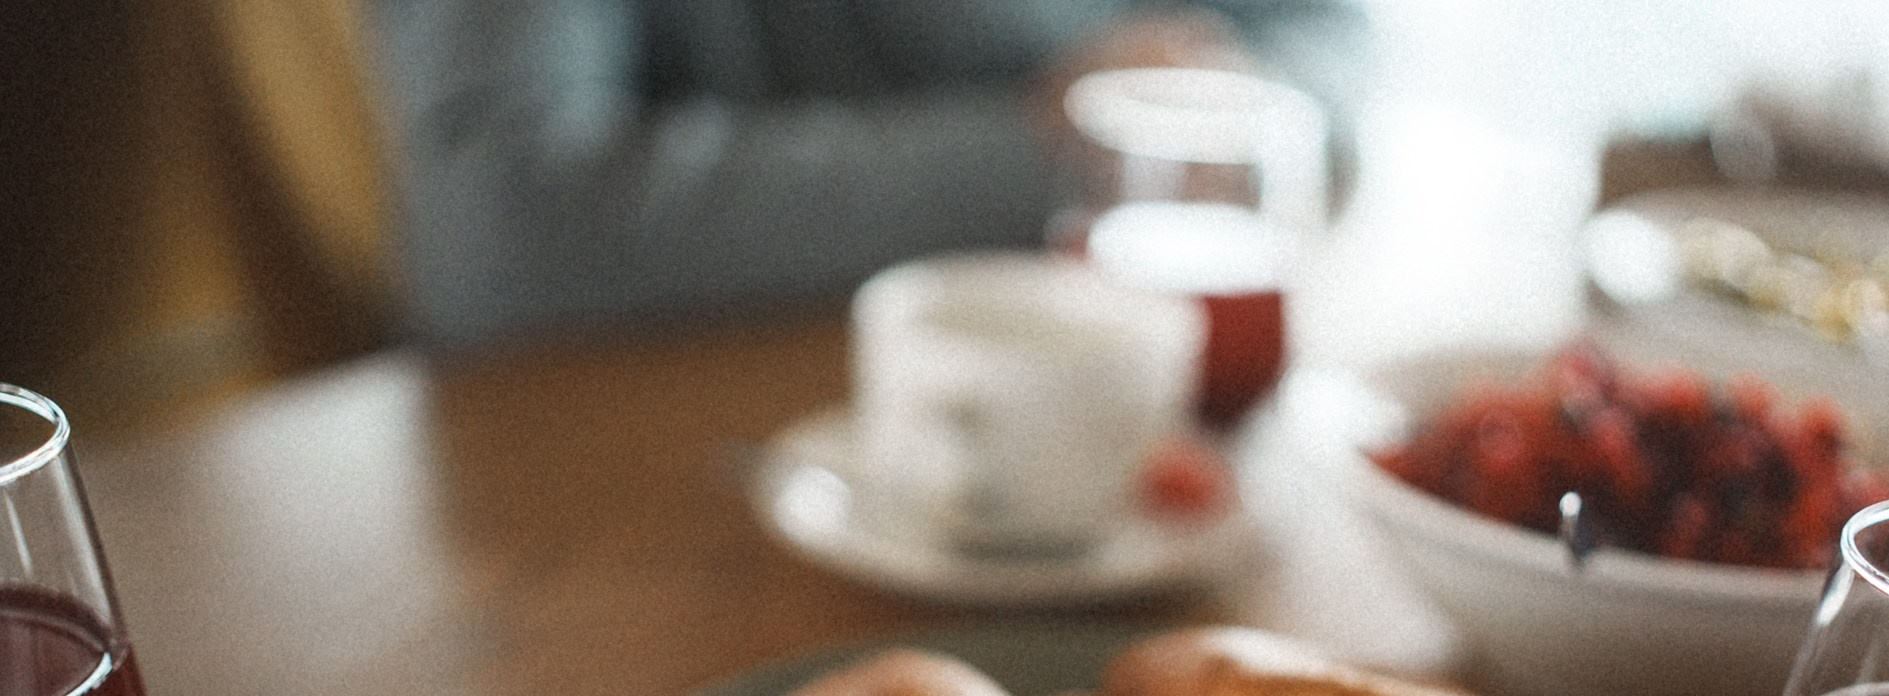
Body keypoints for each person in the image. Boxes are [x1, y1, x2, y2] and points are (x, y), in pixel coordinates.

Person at [367, 0, 1367, 345]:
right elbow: (501, 222)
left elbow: (1325, 46)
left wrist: (1244, 100)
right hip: (651, 489)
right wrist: (1080, 149)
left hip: (1155, 421)